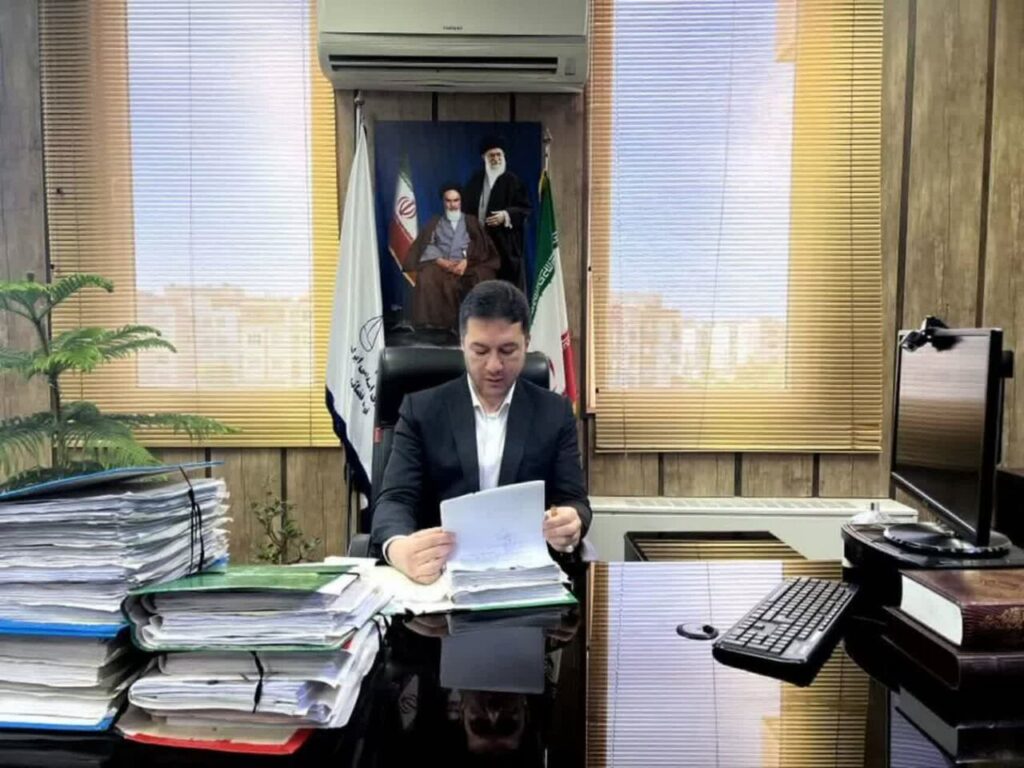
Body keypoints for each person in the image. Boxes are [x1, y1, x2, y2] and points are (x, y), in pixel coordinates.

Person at [371, 280, 590, 583]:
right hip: (440, 579)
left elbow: (575, 500)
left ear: (527, 342)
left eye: (508, 350)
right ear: (463, 343)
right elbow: (395, 499)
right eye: (480, 350)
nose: (494, 365)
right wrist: (400, 549)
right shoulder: (421, 410)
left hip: (524, 579)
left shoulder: (555, 412)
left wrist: (571, 522)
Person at [402, 183, 500, 332]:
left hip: (468, 264)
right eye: (448, 201)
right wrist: (441, 261)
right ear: (443, 202)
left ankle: (476, 323)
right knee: (426, 276)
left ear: (461, 201)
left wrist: (466, 262)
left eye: (456, 200)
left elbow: (481, 245)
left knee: (482, 275)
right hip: (442, 264)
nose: (452, 205)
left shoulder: (471, 221)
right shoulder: (435, 222)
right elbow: (428, 244)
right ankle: (435, 324)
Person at [462, 136, 532, 294]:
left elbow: (525, 209)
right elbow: (465, 210)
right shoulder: (475, 181)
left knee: (507, 292)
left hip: (505, 248)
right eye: (492, 155)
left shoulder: (513, 181)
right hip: (481, 248)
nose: (496, 159)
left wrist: (505, 215)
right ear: (484, 158)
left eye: (499, 155)